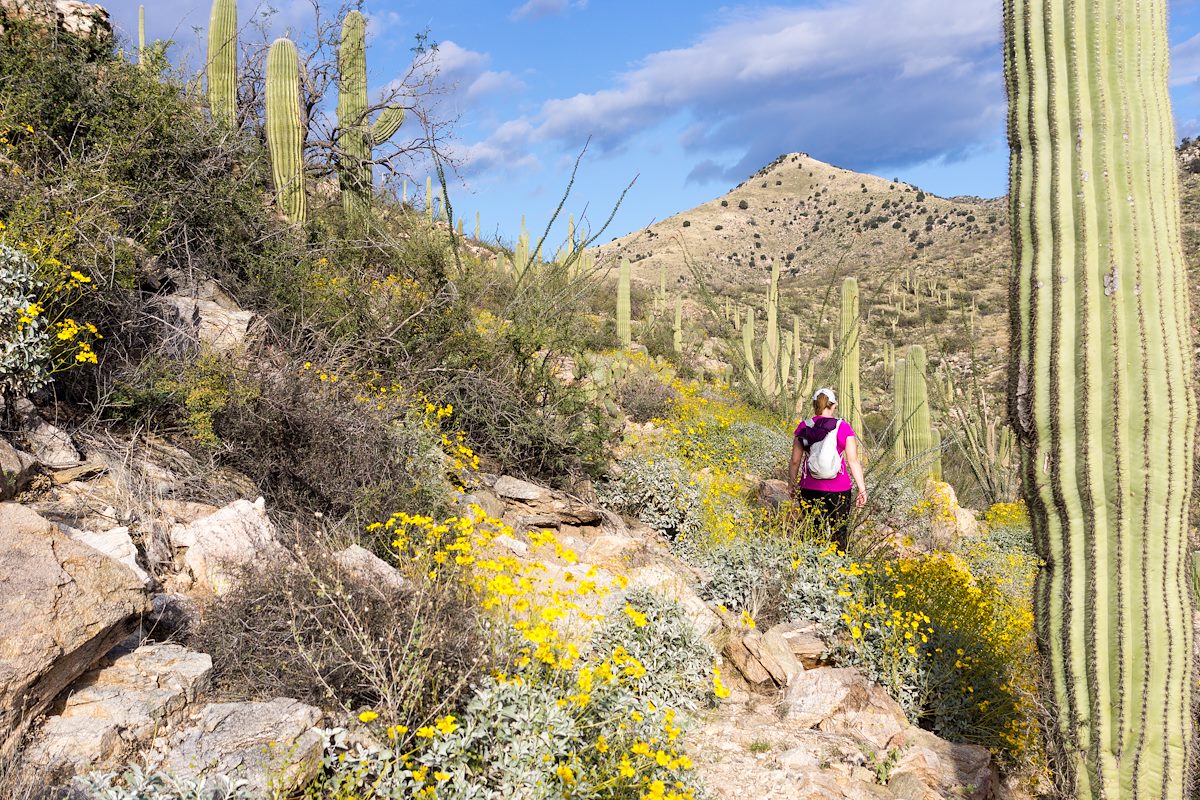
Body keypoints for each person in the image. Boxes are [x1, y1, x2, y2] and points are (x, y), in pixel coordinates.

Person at [788, 387, 867, 550]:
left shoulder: (803, 427)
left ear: (814, 405)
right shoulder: (843, 427)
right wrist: (862, 489)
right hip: (839, 489)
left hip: (809, 487)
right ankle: (838, 569)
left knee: (812, 531)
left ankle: (812, 567)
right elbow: (853, 460)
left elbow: (795, 461)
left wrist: (791, 484)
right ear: (833, 406)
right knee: (839, 533)